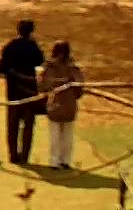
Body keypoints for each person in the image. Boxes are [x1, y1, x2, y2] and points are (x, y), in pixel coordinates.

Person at [0, 19, 45, 164]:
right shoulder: (34, 47)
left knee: (12, 125)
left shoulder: (10, 46)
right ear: (31, 31)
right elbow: (40, 62)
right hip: (29, 91)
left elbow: (1, 68)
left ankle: (13, 155)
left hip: (13, 90)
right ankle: (24, 156)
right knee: (28, 125)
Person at [39, 41, 85, 169]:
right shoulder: (74, 68)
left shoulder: (49, 67)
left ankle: (54, 161)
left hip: (55, 104)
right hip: (70, 105)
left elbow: (42, 86)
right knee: (67, 135)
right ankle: (66, 160)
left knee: (55, 136)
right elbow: (80, 89)